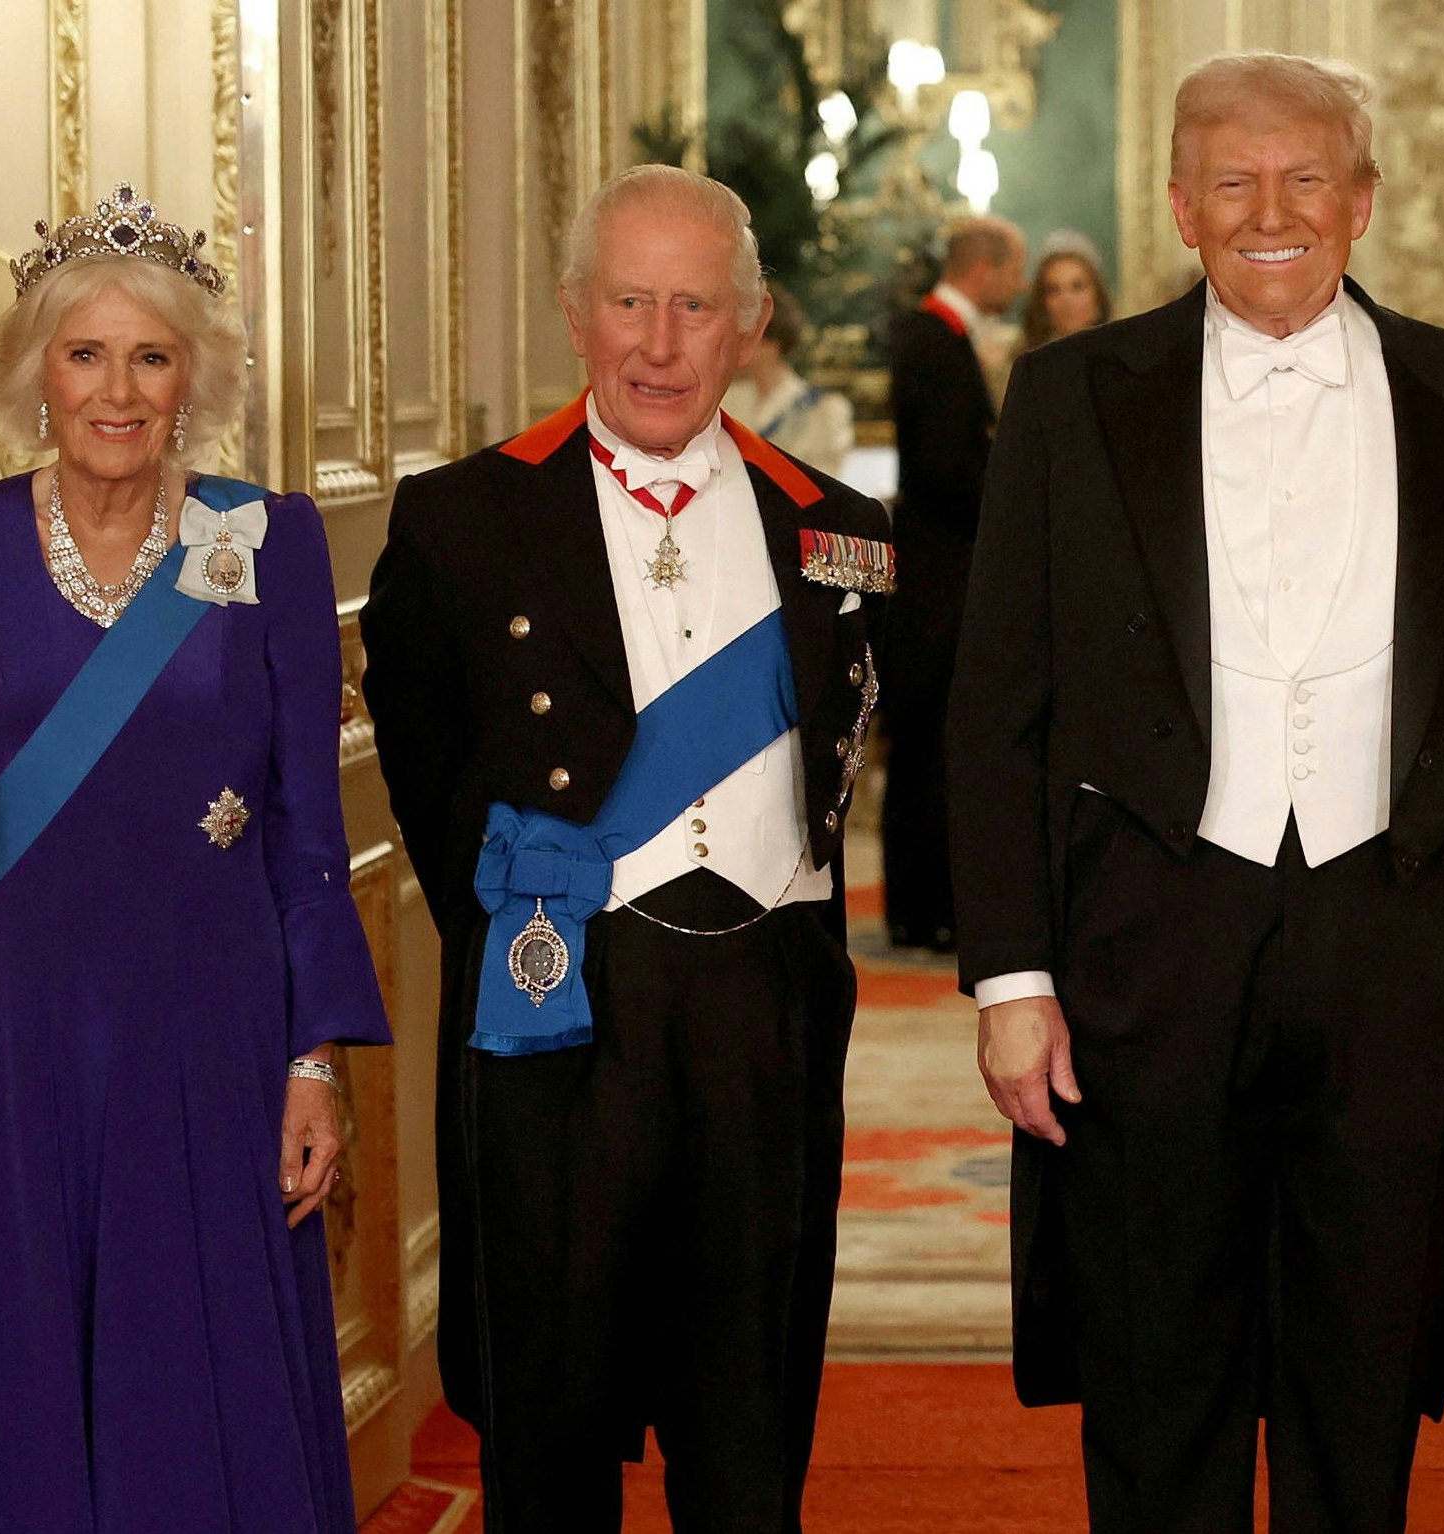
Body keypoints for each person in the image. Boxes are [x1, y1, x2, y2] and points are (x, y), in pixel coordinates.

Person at [950, 54, 1444, 1532]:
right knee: (1151, 1355)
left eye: (1305, 177)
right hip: (1144, 939)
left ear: (1361, 201)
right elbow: (994, 708)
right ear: (1178, 205)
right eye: (1231, 181)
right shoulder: (1063, 400)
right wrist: (1008, 974)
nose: (1269, 211)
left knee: (1362, 1370)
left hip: (1399, 944)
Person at [0, 183, 388, 1534]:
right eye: (85, 354)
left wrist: (312, 1063)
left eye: (151, 355)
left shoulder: (259, 540)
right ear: (35, 374)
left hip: (208, 1034)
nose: (117, 390)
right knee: (7, 1380)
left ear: (194, 378)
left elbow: (302, 822)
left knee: (194, 1384)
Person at [359, 165, 891, 1533]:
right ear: (573, 312)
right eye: (630, 302)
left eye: (696, 306)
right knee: (550, 1391)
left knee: (747, 1391)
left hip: (764, 993)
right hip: (557, 994)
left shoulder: (840, 530)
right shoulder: (463, 518)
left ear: (751, 319)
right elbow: (430, 781)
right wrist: (536, 919)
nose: (660, 344)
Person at [881, 215, 1025, 952]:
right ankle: (927, 909)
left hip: (936, 570)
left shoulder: (935, 336)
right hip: (941, 576)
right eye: (1013, 269)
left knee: (928, 746)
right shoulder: (935, 341)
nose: (1019, 284)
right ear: (985, 268)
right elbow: (945, 471)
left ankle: (921, 907)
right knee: (935, 746)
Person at [721, 287, 856, 476]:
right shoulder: (723, 404)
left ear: (770, 344)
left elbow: (823, 486)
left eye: (740, 339)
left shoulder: (823, 410)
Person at [1015, 231, 1113, 357]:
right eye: (1054, 290)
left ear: (1098, 296)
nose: (1066, 299)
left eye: (1077, 287)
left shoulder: (1123, 358)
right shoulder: (1025, 363)